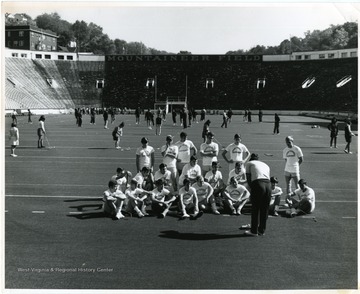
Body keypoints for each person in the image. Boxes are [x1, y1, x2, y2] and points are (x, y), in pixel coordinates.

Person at [244, 153, 271, 236]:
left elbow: (248, 178)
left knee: (255, 208)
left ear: (251, 159)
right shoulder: (265, 164)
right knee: (264, 208)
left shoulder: (249, 163)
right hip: (268, 184)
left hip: (258, 183)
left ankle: (253, 231)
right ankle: (261, 230)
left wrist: (252, 190)